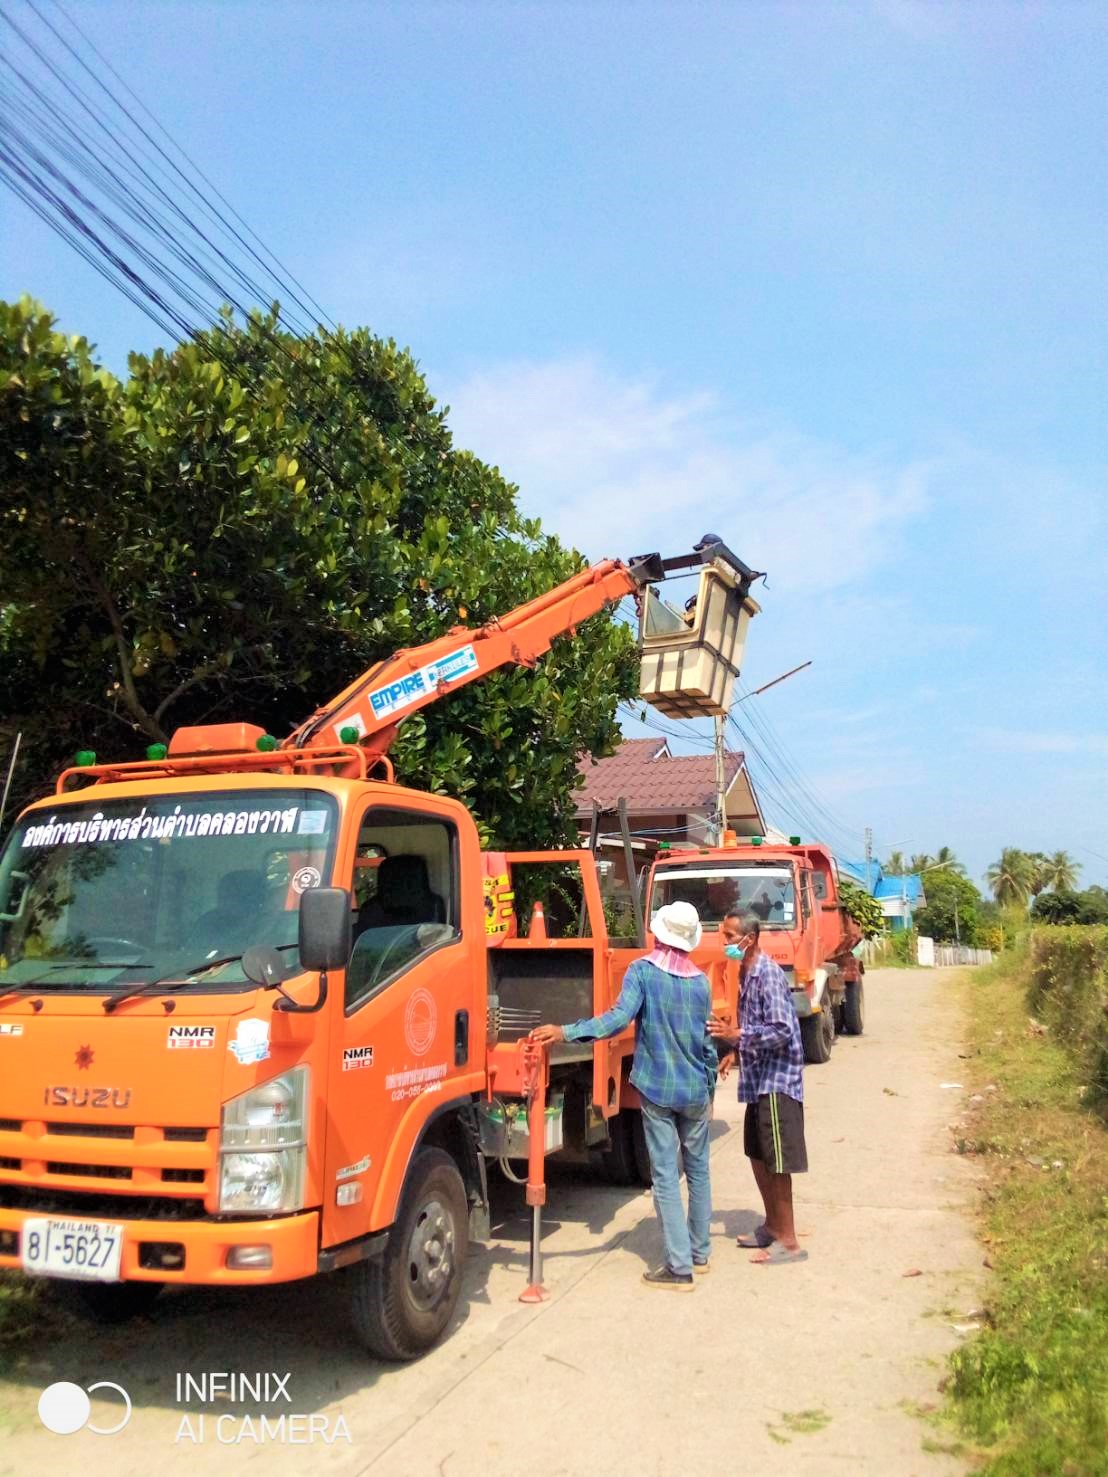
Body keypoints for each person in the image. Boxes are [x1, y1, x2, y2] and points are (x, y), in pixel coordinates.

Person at [533, 900, 716, 1291]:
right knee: (698, 1171)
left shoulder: (643, 973)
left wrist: (565, 1032)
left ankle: (679, 1267)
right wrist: (710, 1083)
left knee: (666, 1176)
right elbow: (706, 1042)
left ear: (657, 933)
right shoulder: (700, 982)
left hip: (658, 1091)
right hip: (697, 1090)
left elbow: (616, 1020)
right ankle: (699, 1253)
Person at [710, 908, 809, 1265]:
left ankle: (789, 1240)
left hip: (777, 1082)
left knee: (778, 1162)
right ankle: (771, 1225)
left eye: (729, 937)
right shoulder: (745, 972)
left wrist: (738, 1035)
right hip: (756, 1080)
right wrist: (735, 1051)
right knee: (757, 1153)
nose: (725, 943)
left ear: (749, 939)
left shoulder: (767, 974)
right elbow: (756, 1024)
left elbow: (783, 1030)